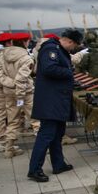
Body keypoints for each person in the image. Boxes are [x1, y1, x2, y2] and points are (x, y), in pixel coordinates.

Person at [28, 29, 83, 182]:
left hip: (57, 100)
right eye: (75, 45)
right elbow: (48, 68)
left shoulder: (58, 49)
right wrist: (69, 72)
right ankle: (34, 169)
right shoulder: (51, 49)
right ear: (70, 41)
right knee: (45, 136)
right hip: (50, 101)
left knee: (57, 134)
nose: (74, 49)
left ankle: (58, 164)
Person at [0, 33, 36, 158]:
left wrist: (10, 84)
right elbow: (22, 78)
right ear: (25, 42)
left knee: (12, 121)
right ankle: (46, 146)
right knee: (35, 120)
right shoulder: (27, 58)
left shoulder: (1, 57)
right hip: (25, 94)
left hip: (9, 92)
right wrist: (20, 93)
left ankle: (9, 149)